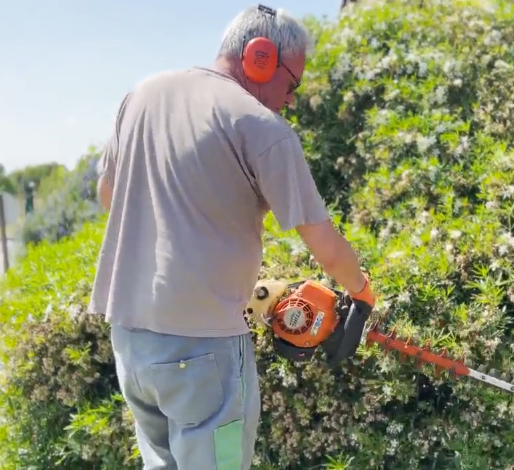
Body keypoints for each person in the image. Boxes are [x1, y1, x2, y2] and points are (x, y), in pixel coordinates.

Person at [88, 5, 375, 470]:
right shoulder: (259, 126)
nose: (291, 99)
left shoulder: (141, 96)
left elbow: (108, 195)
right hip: (204, 353)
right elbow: (323, 242)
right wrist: (361, 293)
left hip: (131, 340)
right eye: (292, 83)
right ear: (259, 57)